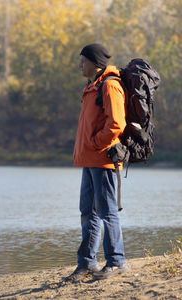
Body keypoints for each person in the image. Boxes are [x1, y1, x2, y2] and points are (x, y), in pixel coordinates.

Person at [67, 43, 128, 282]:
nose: (80, 64)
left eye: (83, 60)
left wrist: (94, 143)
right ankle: (87, 263)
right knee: (88, 212)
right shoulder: (92, 87)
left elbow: (116, 125)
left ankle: (117, 261)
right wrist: (88, 147)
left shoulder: (110, 86)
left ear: (95, 62)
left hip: (102, 159)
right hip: (89, 159)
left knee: (107, 211)